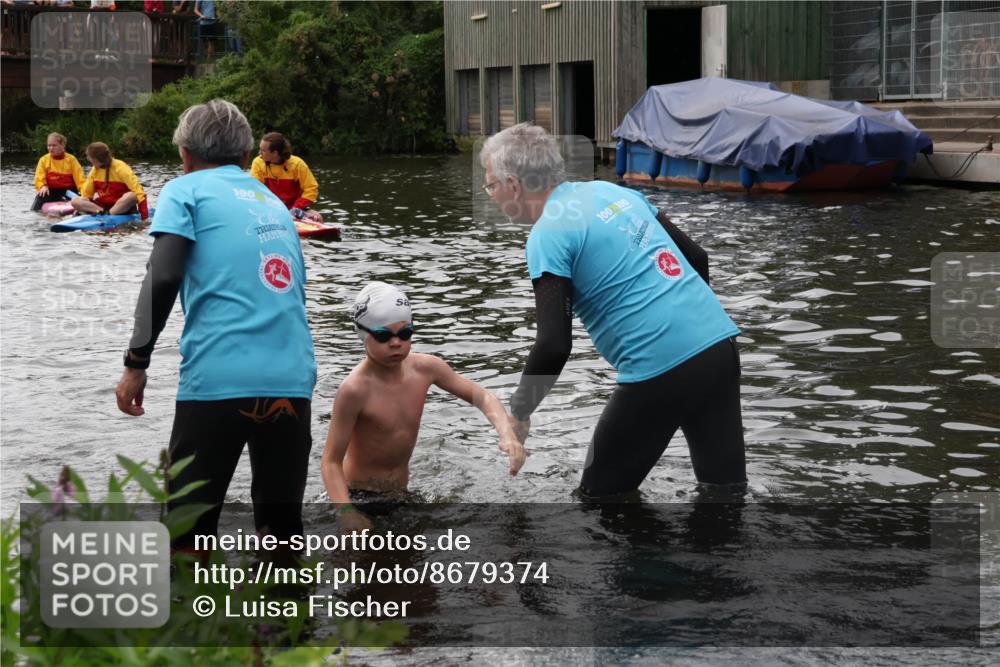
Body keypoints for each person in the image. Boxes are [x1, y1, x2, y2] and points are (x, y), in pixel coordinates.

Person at [480, 123, 746, 498]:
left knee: (598, 502)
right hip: (719, 348)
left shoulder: (548, 233)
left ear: (514, 184)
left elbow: (554, 345)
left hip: (660, 367)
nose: (491, 195)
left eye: (490, 185)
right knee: (725, 495)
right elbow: (698, 259)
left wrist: (519, 413)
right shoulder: (613, 192)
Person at [114, 99, 317, 548]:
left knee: (187, 535)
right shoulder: (274, 203)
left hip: (220, 379)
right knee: (280, 536)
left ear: (185, 155)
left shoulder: (184, 191)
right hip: (292, 378)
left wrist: (136, 361)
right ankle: (286, 616)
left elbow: (163, 275)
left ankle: (198, 614)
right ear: (247, 156)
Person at [320, 282, 526, 530]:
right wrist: (346, 512)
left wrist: (507, 435)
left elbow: (482, 396)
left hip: (400, 495)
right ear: (363, 334)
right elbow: (331, 462)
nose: (396, 342)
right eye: (384, 335)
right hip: (359, 497)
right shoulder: (354, 390)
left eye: (405, 333)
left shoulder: (426, 369)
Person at [251, 132, 323, 222]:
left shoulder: (297, 164)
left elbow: (312, 188)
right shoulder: (258, 163)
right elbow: (256, 191)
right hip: (270, 209)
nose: (259, 153)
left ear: (275, 153)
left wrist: (295, 208)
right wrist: (266, 208)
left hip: (294, 209)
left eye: (263, 151)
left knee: (318, 218)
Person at [71, 142, 149, 220]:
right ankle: (104, 213)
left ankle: (109, 214)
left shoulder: (121, 167)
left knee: (132, 195)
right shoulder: (95, 169)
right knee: (75, 201)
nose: (87, 158)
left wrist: (144, 217)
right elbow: (87, 195)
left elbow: (139, 192)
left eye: (89, 157)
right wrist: (80, 208)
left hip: (122, 207)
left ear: (96, 159)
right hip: (103, 208)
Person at [31, 132, 85, 211]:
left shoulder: (71, 160)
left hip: (68, 191)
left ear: (62, 145)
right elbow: (39, 177)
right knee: (40, 196)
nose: (51, 148)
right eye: (49, 145)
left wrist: (85, 194)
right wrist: (43, 186)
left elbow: (81, 180)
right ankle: (34, 215)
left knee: (80, 200)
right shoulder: (43, 160)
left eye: (54, 145)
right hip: (51, 191)